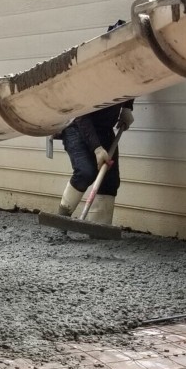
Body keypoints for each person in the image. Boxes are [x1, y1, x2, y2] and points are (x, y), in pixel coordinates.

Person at [56, 20, 135, 225]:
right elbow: (82, 115)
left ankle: (98, 229)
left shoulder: (127, 67)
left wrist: (128, 108)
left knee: (110, 181)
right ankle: (61, 220)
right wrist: (97, 148)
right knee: (86, 171)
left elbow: (132, 86)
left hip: (104, 130)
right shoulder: (95, 72)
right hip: (78, 127)